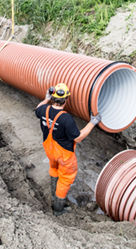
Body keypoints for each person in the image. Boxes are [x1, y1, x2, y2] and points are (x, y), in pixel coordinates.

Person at [35, 83, 101, 215]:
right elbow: (77, 138)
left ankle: (54, 196)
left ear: (53, 97)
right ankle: (58, 209)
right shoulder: (66, 119)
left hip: (50, 151)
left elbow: (38, 107)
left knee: (54, 169)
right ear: (66, 99)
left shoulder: (44, 110)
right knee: (65, 179)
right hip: (64, 155)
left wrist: (46, 98)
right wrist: (92, 123)